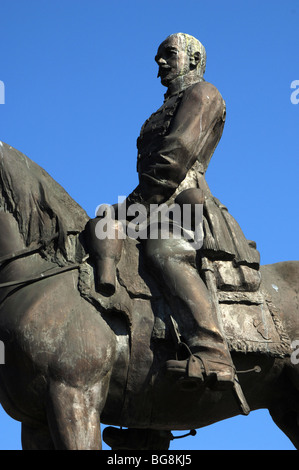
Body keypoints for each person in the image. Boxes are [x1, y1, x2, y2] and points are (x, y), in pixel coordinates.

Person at [87, 33, 239, 389]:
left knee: (162, 252)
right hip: (152, 205)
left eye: (169, 54)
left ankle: (212, 349)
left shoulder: (204, 94)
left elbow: (175, 157)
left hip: (182, 205)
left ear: (194, 58)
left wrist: (132, 206)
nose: (160, 61)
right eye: (158, 56)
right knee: (97, 232)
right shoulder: (161, 109)